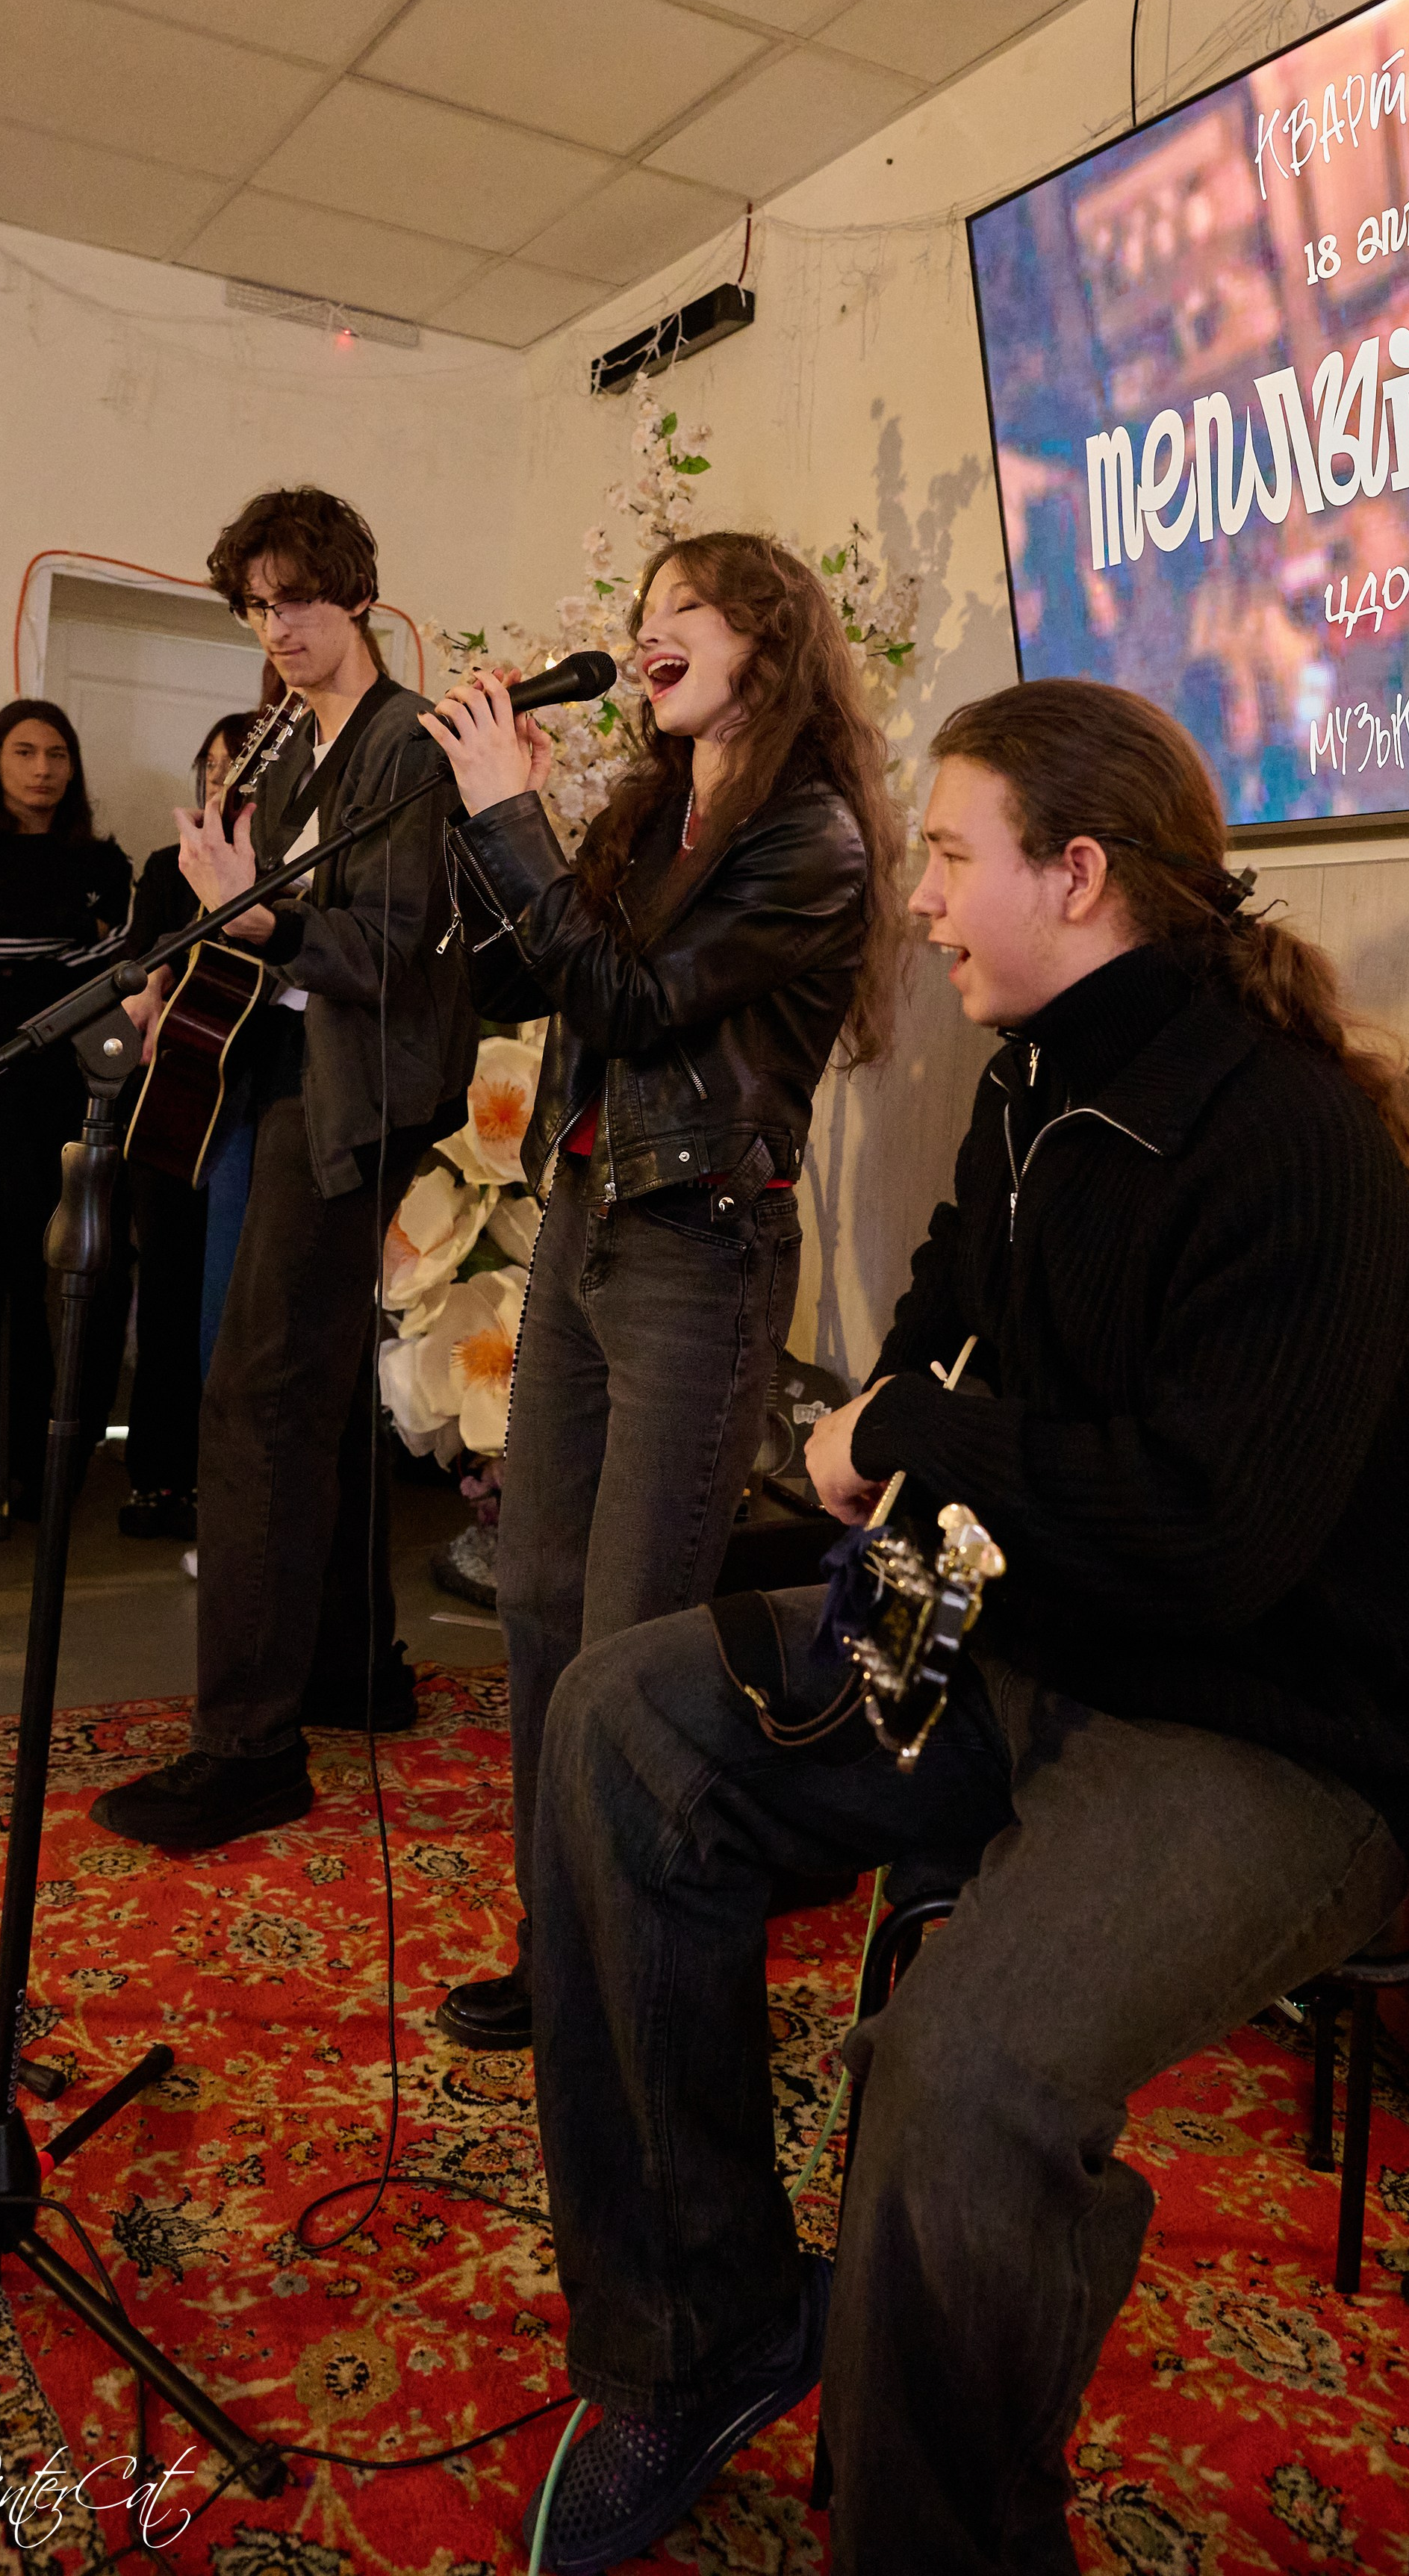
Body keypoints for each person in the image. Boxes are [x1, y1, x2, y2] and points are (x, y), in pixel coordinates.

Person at [518, 677, 1409, 2575]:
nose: (923, 899)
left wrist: (923, 1431)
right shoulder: (1036, 1074)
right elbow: (952, 1323)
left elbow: (1213, 1540)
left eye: (953, 859)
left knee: (962, 2083)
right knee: (618, 1725)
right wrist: (890, 1436)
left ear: (1081, 871)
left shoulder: (1286, 1142)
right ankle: (707, 2334)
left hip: (1255, 1731)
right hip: (1027, 1643)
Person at [423, 532, 903, 2053]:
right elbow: (528, 982)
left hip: (699, 1245)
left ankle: (628, 1968)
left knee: (634, 1635)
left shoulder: (807, 836)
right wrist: (482, 824)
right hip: (581, 1217)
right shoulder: (649, 810)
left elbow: (628, 997)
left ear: (765, 638)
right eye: (638, 614)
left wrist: (515, 820)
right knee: (540, 1602)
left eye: (681, 609)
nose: (645, 634)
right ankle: (562, 1936)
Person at [90, 485, 476, 1853]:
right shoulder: (300, 747)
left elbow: (388, 953)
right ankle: (346, 1670)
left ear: (355, 590)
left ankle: (246, 1750)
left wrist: (249, 916)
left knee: (253, 1403)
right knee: (305, 1396)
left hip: (349, 1110)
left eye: (298, 596)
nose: (279, 625)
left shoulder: (406, 746)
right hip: (283, 1093)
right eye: (257, 604)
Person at [0, 701, 131, 1509]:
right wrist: (63, 927)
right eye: (24, 751)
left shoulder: (104, 859)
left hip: (72, 1082)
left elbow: (111, 957)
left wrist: (28, 931)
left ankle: (53, 1469)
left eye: (57, 753)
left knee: (75, 1272)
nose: (43, 767)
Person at [117, 709, 256, 1543]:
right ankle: (158, 1472)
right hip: (172, 1094)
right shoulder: (165, 868)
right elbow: (141, 957)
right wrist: (149, 980)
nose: (219, 779)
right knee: (166, 1283)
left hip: (247, 1099)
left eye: (237, 765)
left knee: (230, 1294)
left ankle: (223, 1479)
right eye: (208, 765)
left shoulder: (287, 867)